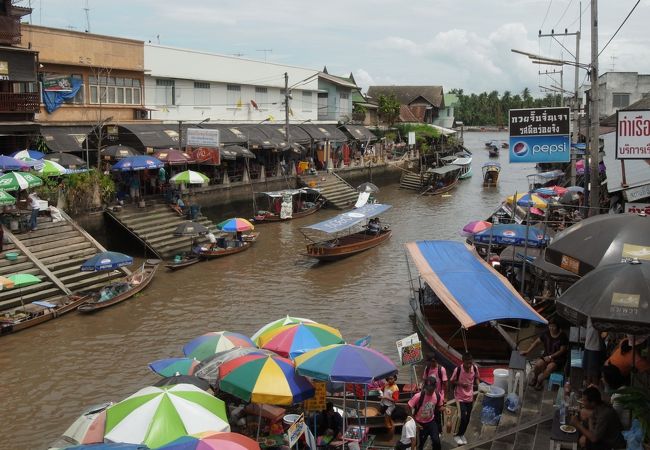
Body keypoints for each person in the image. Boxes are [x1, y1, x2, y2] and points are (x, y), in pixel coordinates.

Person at [570, 386, 625, 450]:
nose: (582, 402)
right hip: (604, 436)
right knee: (582, 430)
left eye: (584, 400)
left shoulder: (604, 414)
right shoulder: (599, 405)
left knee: (584, 440)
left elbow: (594, 438)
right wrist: (589, 419)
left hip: (612, 445)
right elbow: (592, 425)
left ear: (592, 403)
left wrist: (577, 424)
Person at [520, 318, 568, 390]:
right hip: (546, 355)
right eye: (550, 326)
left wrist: (551, 356)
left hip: (558, 359)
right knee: (537, 365)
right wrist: (527, 351)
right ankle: (535, 378)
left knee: (550, 367)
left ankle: (540, 381)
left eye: (553, 326)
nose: (551, 328)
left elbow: (562, 350)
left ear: (557, 326)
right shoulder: (546, 333)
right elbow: (537, 342)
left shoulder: (563, 336)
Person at [450, 352, 480, 446]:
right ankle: (456, 435)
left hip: (470, 397)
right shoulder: (458, 369)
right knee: (461, 416)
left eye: (470, 363)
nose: (469, 365)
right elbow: (452, 381)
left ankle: (462, 434)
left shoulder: (474, 368)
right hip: (460, 396)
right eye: (467, 363)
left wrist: (480, 387)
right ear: (463, 362)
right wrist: (461, 384)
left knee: (467, 418)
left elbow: (477, 378)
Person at [407, 376, 442, 450]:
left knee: (436, 441)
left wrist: (445, 409)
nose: (429, 392)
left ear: (435, 388)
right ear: (425, 387)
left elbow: (439, 407)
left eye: (431, 390)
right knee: (420, 444)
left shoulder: (437, 395)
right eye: (428, 390)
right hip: (420, 424)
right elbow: (408, 407)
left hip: (431, 421)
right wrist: (414, 422)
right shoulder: (418, 396)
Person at [422, 356, 448, 434]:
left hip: (439, 395)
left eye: (432, 361)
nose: (431, 363)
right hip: (429, 394)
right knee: (428, 413)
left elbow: (445, 383)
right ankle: (430, 431)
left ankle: (439, 431)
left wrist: (446, 397)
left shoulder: (441, 369)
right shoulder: (427, 369)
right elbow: (424, 381)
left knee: (438, 414)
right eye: (429, 362)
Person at [583, 317, 605, 387]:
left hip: (595, 347)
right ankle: (588, 390)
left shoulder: (599, 314)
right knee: (588, 371)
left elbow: (602, 331)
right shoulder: (589, 314)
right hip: (588, 345)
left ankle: (594, 390)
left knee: (594, 372)